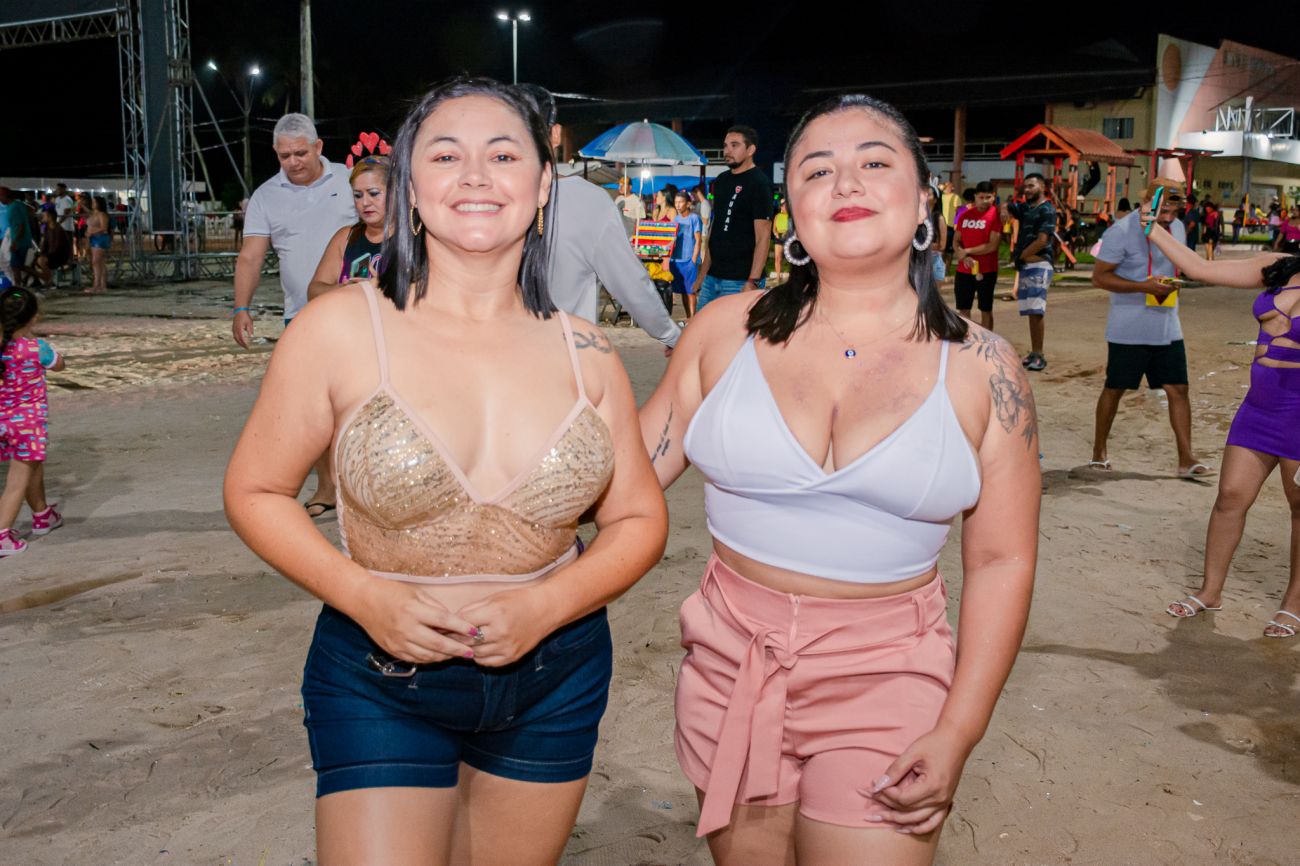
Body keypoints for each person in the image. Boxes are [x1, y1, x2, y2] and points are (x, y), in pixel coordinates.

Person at [225, 76, 668, 865]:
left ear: (542, 186)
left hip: (557, 672)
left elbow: (637, 519)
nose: (475, 175)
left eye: (503, 155)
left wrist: (548, 606)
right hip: (379, 673)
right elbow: (256, 491)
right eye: (445, 155)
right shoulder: (337, 330)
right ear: (409, 186)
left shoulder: (589, 353)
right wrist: (364, 596)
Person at [639, 93, 1038, 865]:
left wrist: (960, 730)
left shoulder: (985, 368)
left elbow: (1001, 560)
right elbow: (626, 477)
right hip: (731, 663)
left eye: (874, 163)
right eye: (817, 171)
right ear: (791, 211)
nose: (845, 183)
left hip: (889, 677)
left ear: (923, 202)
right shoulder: (723, 333)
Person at [1141, 233, 1300, 636]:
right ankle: (1211, 591)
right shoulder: (1280, 266)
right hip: (1258, 408)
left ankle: (1293, 604)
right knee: (1230, 496)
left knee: (1299, 508)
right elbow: (1200, 268)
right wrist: (1154, 229)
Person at [232, 112, 357, 517]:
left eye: (300, 153)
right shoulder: (266, 196)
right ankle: (327, 488)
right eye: (284, 156)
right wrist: (241, 306)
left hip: (358, 314)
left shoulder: (349, 181)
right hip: (301, 317)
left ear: (319, 147)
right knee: (313, 407)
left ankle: (363, 487)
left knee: (358, 401)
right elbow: (251, 257)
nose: (293, 162)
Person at [517, 83, 681, 352]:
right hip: (566, 357)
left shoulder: (479, 202)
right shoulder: (588, 201)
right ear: (555, 134)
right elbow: (631, 284)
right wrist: (671, 335)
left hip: (491, 362)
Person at [1089, 178, 1210, 478]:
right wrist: (1143, 286)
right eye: (1163, 211)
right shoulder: (1120, 231)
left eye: (1174, 211)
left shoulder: (1177, 228)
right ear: (1147, 202)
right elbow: (1100, 277)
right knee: (1115, 388)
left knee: (1178, 388)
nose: (1168, 218)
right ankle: (1098, 453)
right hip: (1129, 327)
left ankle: (1186, 459)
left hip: (1167, 324)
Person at [0, 286, 65, 556]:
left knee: (30, 467)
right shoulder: (36, 348)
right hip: (28, 424)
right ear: (33, 318)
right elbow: (59, 364)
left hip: (4, 421)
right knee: (16, 482)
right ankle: (2, 535)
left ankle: (42, 515)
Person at [692, 125, 773, 310]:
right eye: (725, 145)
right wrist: (702, 275)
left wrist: (753, 281)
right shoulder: (721, 180)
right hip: (712, 278)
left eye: (734, 145)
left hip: (740, 281)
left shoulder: (759, 183)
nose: (727, 151)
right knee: (701, 327)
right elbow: (715, 229)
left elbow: (763, 237)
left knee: (733, 329)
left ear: (750, 150)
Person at [307, 153, 389, 303]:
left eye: (373, 193)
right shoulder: (346, 237)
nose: (365, 202)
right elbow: (314, 290)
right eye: (358, 195)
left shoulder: (414, 238)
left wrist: (383, 290)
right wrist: (346, 289)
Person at [1002, 173, 1056, 371]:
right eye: (1025, 186)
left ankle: (1039, 354)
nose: (1027, 189)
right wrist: (1003, 209)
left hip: (1038, 263)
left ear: (1042, 187)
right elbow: (1007, 205)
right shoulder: (1026, 208)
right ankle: (1034, 352)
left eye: (1032, 186)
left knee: (1036, 310)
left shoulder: (1047, 210)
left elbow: (1042, 241)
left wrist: (1022, 256)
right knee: (1030, 311)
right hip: (1027, 264)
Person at [952, 181, 1002, 330]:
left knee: (985, 309)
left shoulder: (996, 216)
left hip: (987, 270)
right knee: (963, 309)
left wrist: (968, 251)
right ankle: (967, 339)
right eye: (981, 197)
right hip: (964, 270)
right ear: (975, 196)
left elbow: (992, 245)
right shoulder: (965, 215)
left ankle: (987, 341)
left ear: (994, 197)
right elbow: (956, 241)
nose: (984, 201)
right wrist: (962, 256)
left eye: (988, 197)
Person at [671, 190, 703, 319]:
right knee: (683, 292)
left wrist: (694, 259)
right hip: (676, 260)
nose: (678, 205)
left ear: (688, 204)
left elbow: (698, 240)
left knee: (691, 291)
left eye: (681, 202)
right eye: (676, 202)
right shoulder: (676, 219)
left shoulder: (694, 218)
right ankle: (688, 317)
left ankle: (693, 319)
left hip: (689, 260)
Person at [0, 187, 34, 288]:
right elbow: (31, 211)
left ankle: (18, 287)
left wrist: (15, 242)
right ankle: (20, 284)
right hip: (20, 239)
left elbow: (20, 226)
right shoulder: (18, 204)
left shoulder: (13, 208)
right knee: (17, 265)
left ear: (5, 196)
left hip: (18, 240)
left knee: (15, 266)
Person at [33, 210, 71, 288]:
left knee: (41, 260)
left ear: (50, 217)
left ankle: (49, 280)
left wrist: (45, 255)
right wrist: (41, 252)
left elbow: (57, 247)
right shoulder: (47, 229)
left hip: (59, 256)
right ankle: (41, 280)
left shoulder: (58, 229)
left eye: (44, 216)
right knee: (32, 259)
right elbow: (45, 245)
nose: (42, 217)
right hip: (51, 254)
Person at [85, 196, 111, 294]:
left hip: (99, 239)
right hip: (94, 238)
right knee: (100, 262)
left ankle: (97, 285)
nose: (92, 203)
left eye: (94, 202)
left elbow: (104, 228)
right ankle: (102, 285)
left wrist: (92, 232)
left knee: (96, 262)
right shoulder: (93, 214)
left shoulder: (101, 214)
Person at [771, 197, 789, 280]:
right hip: (779, 237)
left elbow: (792, 227)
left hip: (788, 237)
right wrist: (776, 233)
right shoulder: (777, 216)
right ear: (780, 206)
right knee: (777, 258)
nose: (784, 206)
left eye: (785, 204)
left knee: (791, 259)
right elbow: (774, 229)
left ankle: (793, 277)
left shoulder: (790, 216)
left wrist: (786, 232)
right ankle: (778, 278)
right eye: (782, 205)